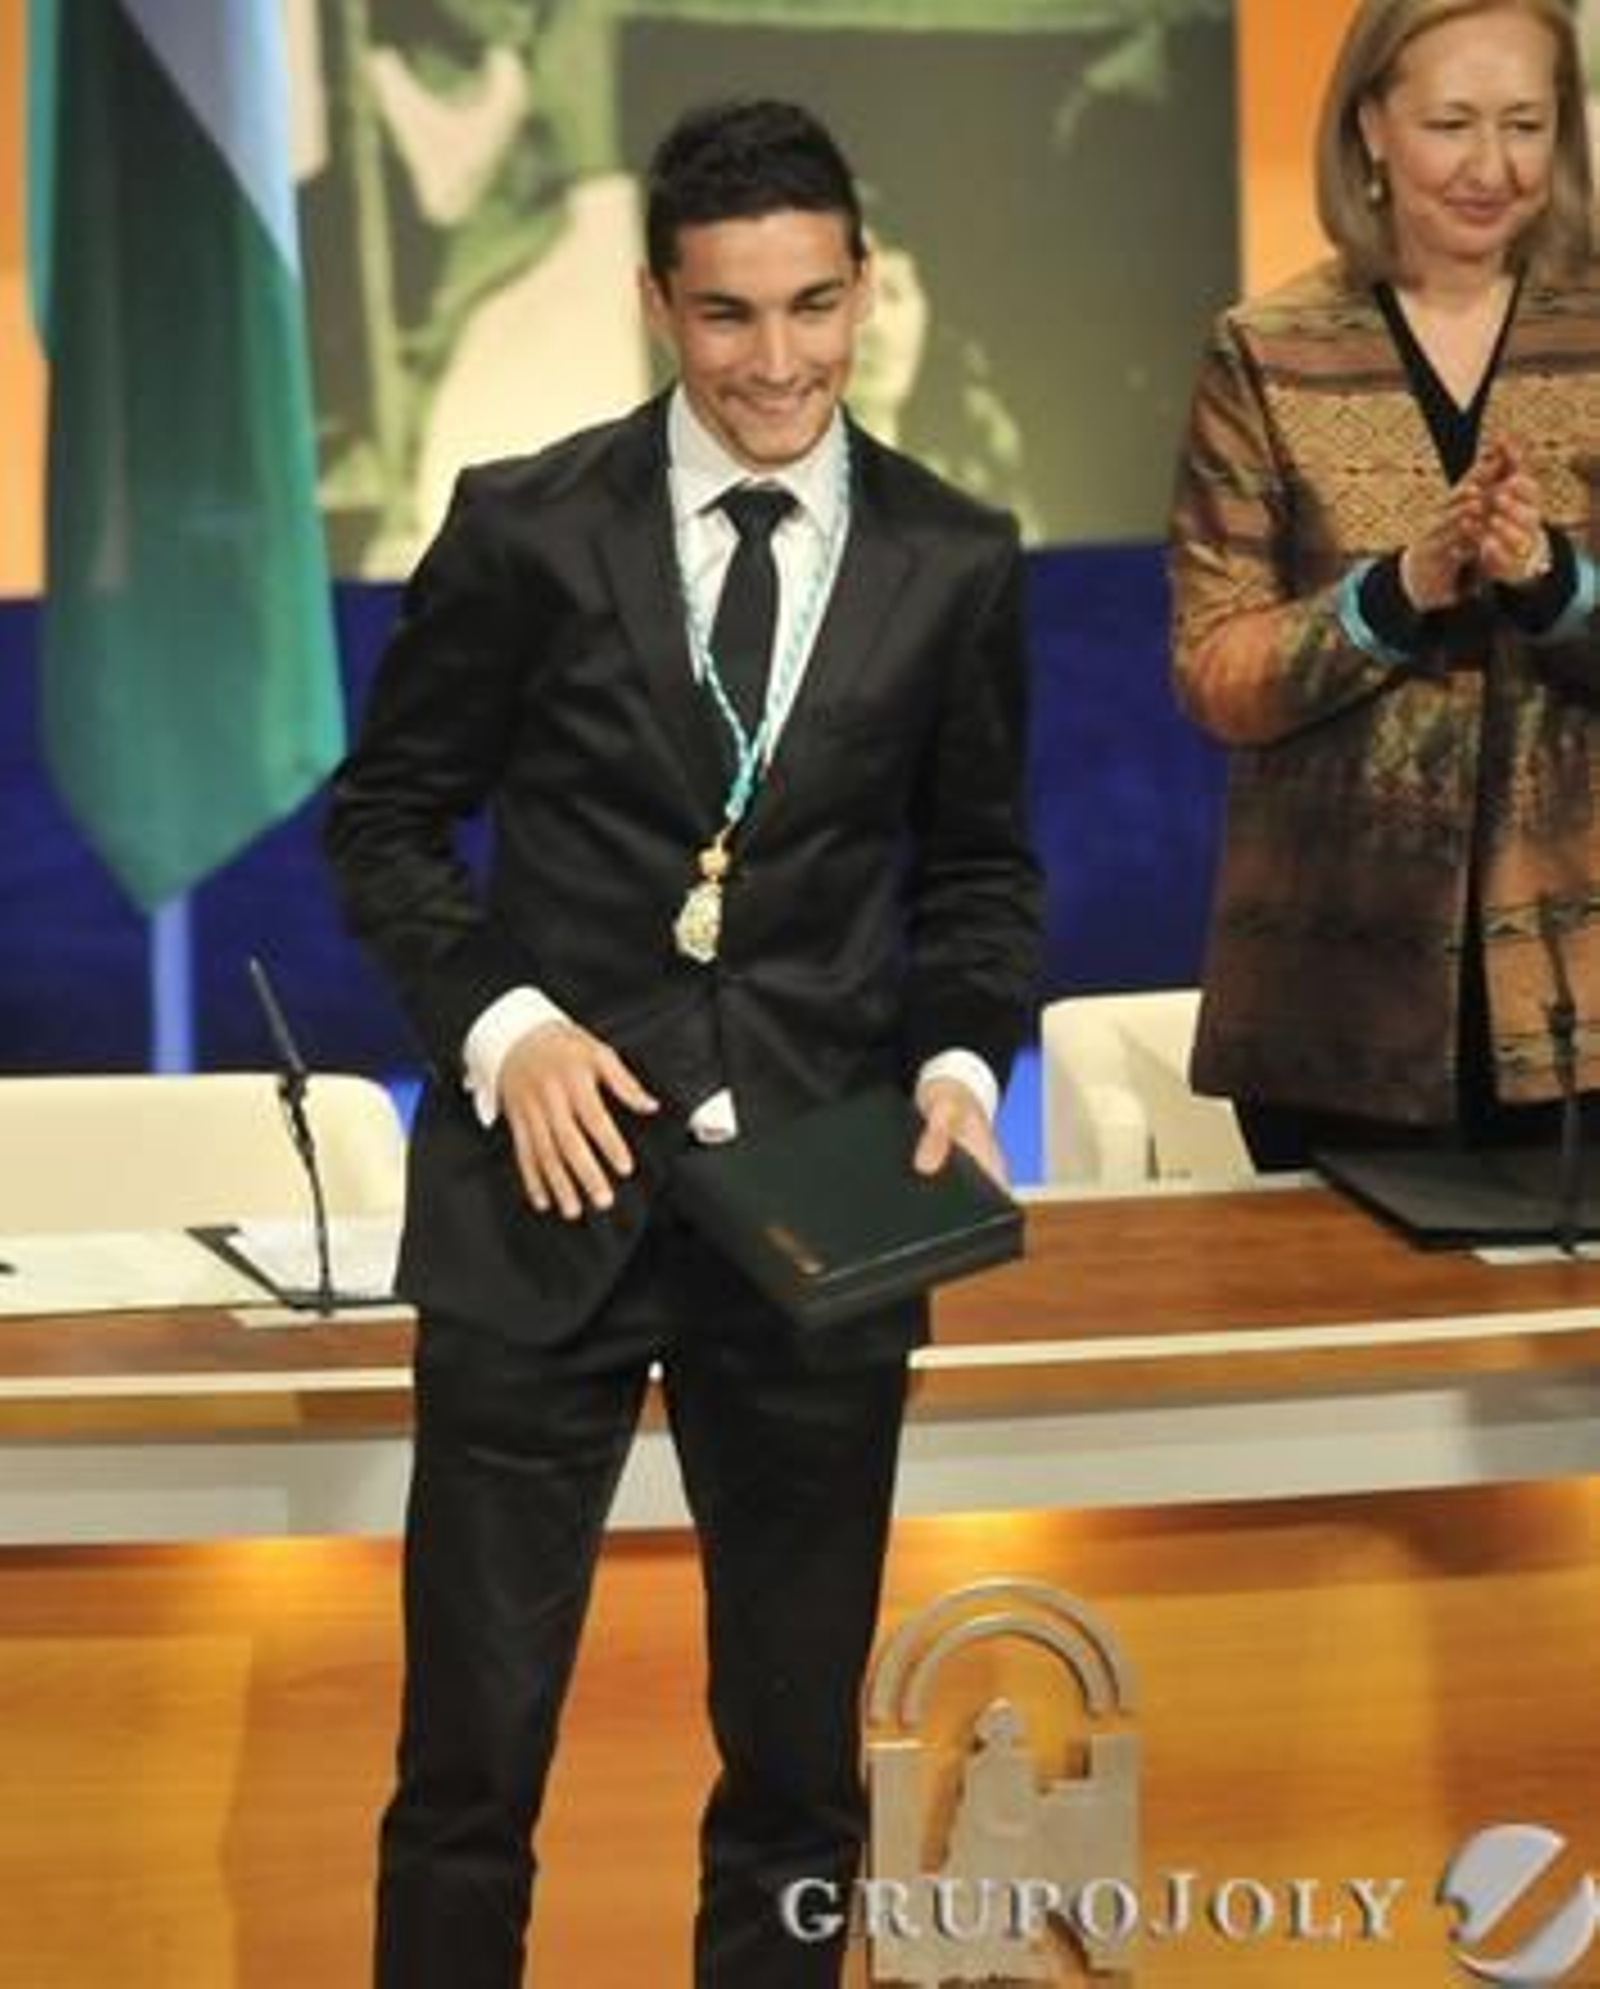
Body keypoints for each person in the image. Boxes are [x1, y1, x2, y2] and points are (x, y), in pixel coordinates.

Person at [323, 96, 1041, 1988]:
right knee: (468, 1765)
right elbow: (383, 820)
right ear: (659, 302)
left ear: (865, 290)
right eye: (731, 317)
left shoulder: (956, 556)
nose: (779, 360)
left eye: (815, 307)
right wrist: (500, 1019)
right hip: (535, 1205)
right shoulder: (525, 525)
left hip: (818, 1208)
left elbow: (977, 870)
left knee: (800, 1774)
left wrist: (964, 1068)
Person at [1169, 0, 1600, 1170]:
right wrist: (1393, 595)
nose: (1491, 166)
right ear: (1368, 126)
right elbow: (1214, 675)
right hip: (1328, 1002)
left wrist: (1552, 581)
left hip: (1579, 1009)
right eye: (1450, 123)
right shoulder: (1265, 349)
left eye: (1524, 122)